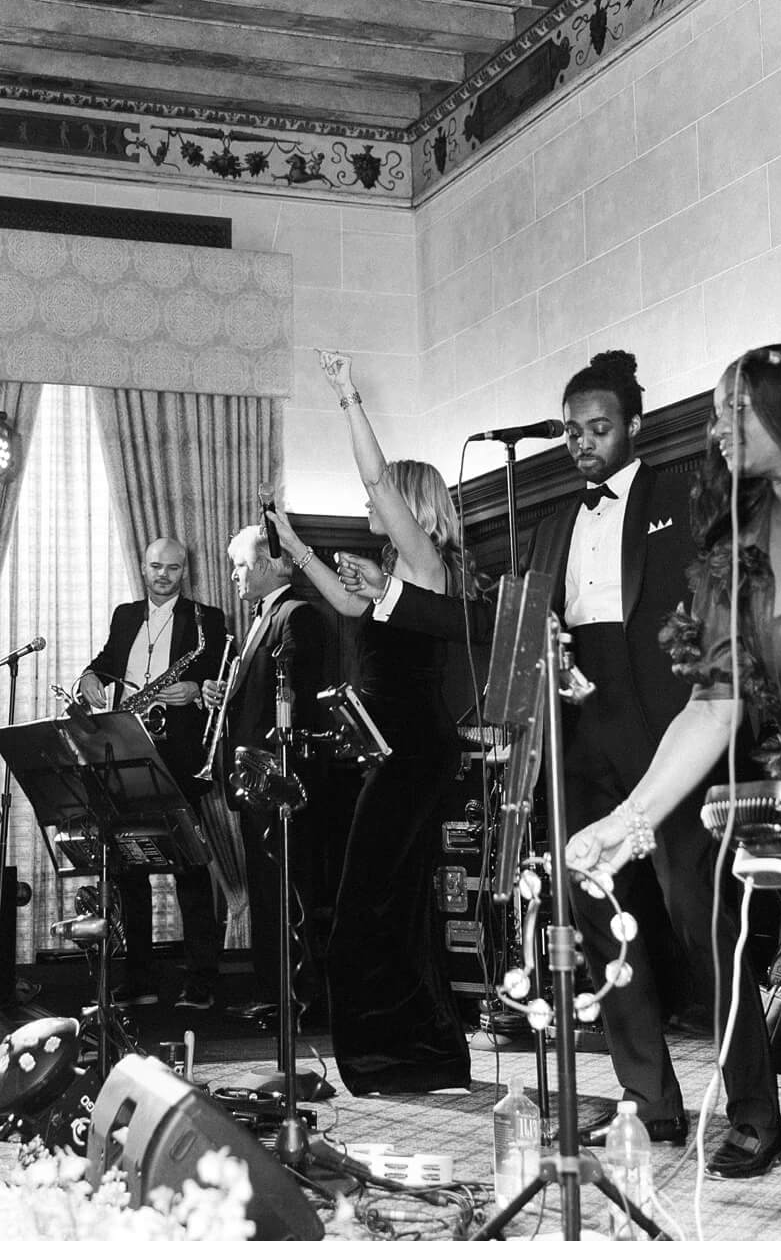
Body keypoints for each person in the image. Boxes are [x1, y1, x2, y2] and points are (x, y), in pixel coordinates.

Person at [357, 349, 781, 1157]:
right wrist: (402, 602)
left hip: (672, 736)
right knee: (598, 919)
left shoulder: (682, 493)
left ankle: (756, 1110)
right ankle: (648, 1096)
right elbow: (507, 626)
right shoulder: (550, 523)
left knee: (703, 918)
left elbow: (719, 611)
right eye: (573, 431)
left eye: (599, 428)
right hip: (582, 740)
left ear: (633, 425)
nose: (584, 443)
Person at [567, 344, 781, 1178]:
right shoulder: (737, 542)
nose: (717, 428)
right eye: (715, 409)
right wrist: (625, 820)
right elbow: (713, 703)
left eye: (734, 408)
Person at [260, 348, 472, 1094]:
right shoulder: (392, 571)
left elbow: (374, 476)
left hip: (414, 748)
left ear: (410, 505)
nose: (370, 506)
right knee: (396, 901)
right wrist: (296, 550)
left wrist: (350, 398)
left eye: (383, 501)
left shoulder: (424, 559)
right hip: (393, 749)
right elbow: (348, 605)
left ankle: (397, 1053)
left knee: (365, 902)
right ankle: (422, 1053)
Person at [78, 536, 230, 1008]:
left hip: (177, 755)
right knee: (128, 870)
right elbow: (104, 664)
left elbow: (220, 679)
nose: (162, 575)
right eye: (155, 566)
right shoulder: (126, 615)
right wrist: (89, 678)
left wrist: (194, 686)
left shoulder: (207, 619)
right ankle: (139, 979)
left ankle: (201, 981)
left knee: (189, 869)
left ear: (185, 571)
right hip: (124, 751)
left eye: (172, 568)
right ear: (143, 568)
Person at [199, 524, 327, 1026]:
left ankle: (296, 999)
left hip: (276, 781)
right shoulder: (260, 618)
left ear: (272, 564)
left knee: (285, 892)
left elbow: (293, 697)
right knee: (267, 889)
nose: (234, 575)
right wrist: (224, 695)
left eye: (241, 565)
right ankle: (274, 992)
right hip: (254, 781)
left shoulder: (296, 615)